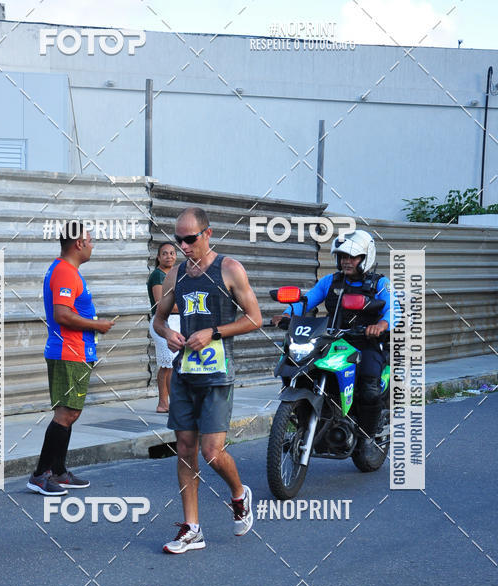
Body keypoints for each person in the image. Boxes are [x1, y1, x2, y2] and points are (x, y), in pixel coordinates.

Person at [153, 207, 262, 554]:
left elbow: (255, 319)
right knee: (185, 449)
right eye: (179, 240)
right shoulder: (177, 276)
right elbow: (157, 320)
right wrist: (168, 333)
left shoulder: (229, 269)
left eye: (190, 239)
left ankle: (239, 494)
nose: (184, 246)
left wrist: (213, 332)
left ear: (208, 234)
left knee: (212, 453)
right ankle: (192, 528)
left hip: (217, 375)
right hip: (185, 374)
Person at [274, 229, 399, 456]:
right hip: (332, 340)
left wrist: (382, 325)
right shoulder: (330, 281)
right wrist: (286, 315)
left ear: (365, 257)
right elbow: (307, 300)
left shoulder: (379, 283)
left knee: (369, 387)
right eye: (342, 257)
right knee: (298, 368)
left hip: (365, 342)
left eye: (352, 257)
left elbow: (394, 308)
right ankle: (309, 420)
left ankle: (367, 436)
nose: (346, 262)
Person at [27, 225, 115, 496]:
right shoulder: (65, 272)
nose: (92, 245)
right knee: (66, 413)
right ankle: (41, 475)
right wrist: (97, 325)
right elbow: (62, 314)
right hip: (69, 352)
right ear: (78, 243)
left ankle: (59, 471)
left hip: (75, 352)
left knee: (70, 413)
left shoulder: (68, 271)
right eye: (89, 240)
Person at [147, 242, 179, 412]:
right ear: (158, 257)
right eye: (165, 254)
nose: (169, 256)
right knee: (170, 365)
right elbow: (161, 304)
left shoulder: (175, 274)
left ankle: (164, 404)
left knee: (168, 366)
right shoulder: (158, 276)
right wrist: (185, 306)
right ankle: (173, 405)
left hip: (175, 322)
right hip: (163, 322)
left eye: (172, 253)